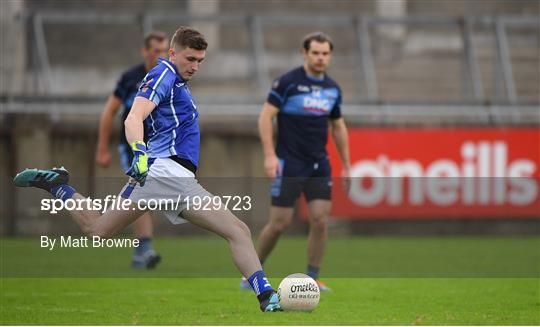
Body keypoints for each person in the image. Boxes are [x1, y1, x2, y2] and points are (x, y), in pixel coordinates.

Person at [14, 26, 282, 312]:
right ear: (172, 53)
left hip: (176, 177)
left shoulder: (177, 81)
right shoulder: (162, 74)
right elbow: (134, 117)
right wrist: (139, 153)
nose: (195, 66)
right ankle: (267, 297)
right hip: (162, 173)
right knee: (236, 230)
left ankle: (59, 186)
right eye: (190, 59)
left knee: (98, 230)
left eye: (200, 61)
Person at [241, 32, 351, 292]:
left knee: (321, 220)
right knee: (280, 223)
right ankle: (253, 273)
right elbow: (265, 118)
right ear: (305, 53)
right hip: (289, 164)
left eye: (325, 54)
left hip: (318, 164)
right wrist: (270, 155)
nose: (321, 58)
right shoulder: (287, 83)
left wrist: (347, 163)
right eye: (316, 53)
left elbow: (338, 126)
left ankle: (313, 276)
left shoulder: (332, 89)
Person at [95, 30, 168, 269]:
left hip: (160, 148)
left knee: (148, 198)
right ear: (144, 51)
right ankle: (145, 247)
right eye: (155, 51)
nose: (159, 56)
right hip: (133, 146)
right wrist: (102, 148)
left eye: (163, 51)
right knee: (142, 190)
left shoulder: (169, 78)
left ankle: (140, 248)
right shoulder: (130, 79)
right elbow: (109, 112)